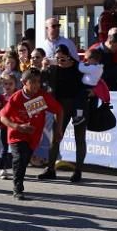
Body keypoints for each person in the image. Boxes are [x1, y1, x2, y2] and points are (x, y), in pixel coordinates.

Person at [0, 68, 63, 200]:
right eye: (33, 82)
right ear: (23, 82)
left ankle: (18, 183)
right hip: (16, 135)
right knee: (19, 158)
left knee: (24, 161)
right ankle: (18, 188)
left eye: (38, 82)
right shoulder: (16, 97)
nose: (36, 85)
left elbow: (59, 110)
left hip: (33, 138)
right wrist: (18, 127)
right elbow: (3, 117)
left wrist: (58, 130)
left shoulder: (41, 96)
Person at [41, 45, 88, 183]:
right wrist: (44, 68)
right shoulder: (53, 68)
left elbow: (93, 80)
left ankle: (78, 171)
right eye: (57, 58)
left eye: (63, 58)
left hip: (79, 105)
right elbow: (42, 82)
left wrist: (91, 92)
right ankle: (50, 169)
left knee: (79, 138)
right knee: (56, 136)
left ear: (69, 57)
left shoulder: (79, 67)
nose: (60, 61)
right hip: (61, 105)